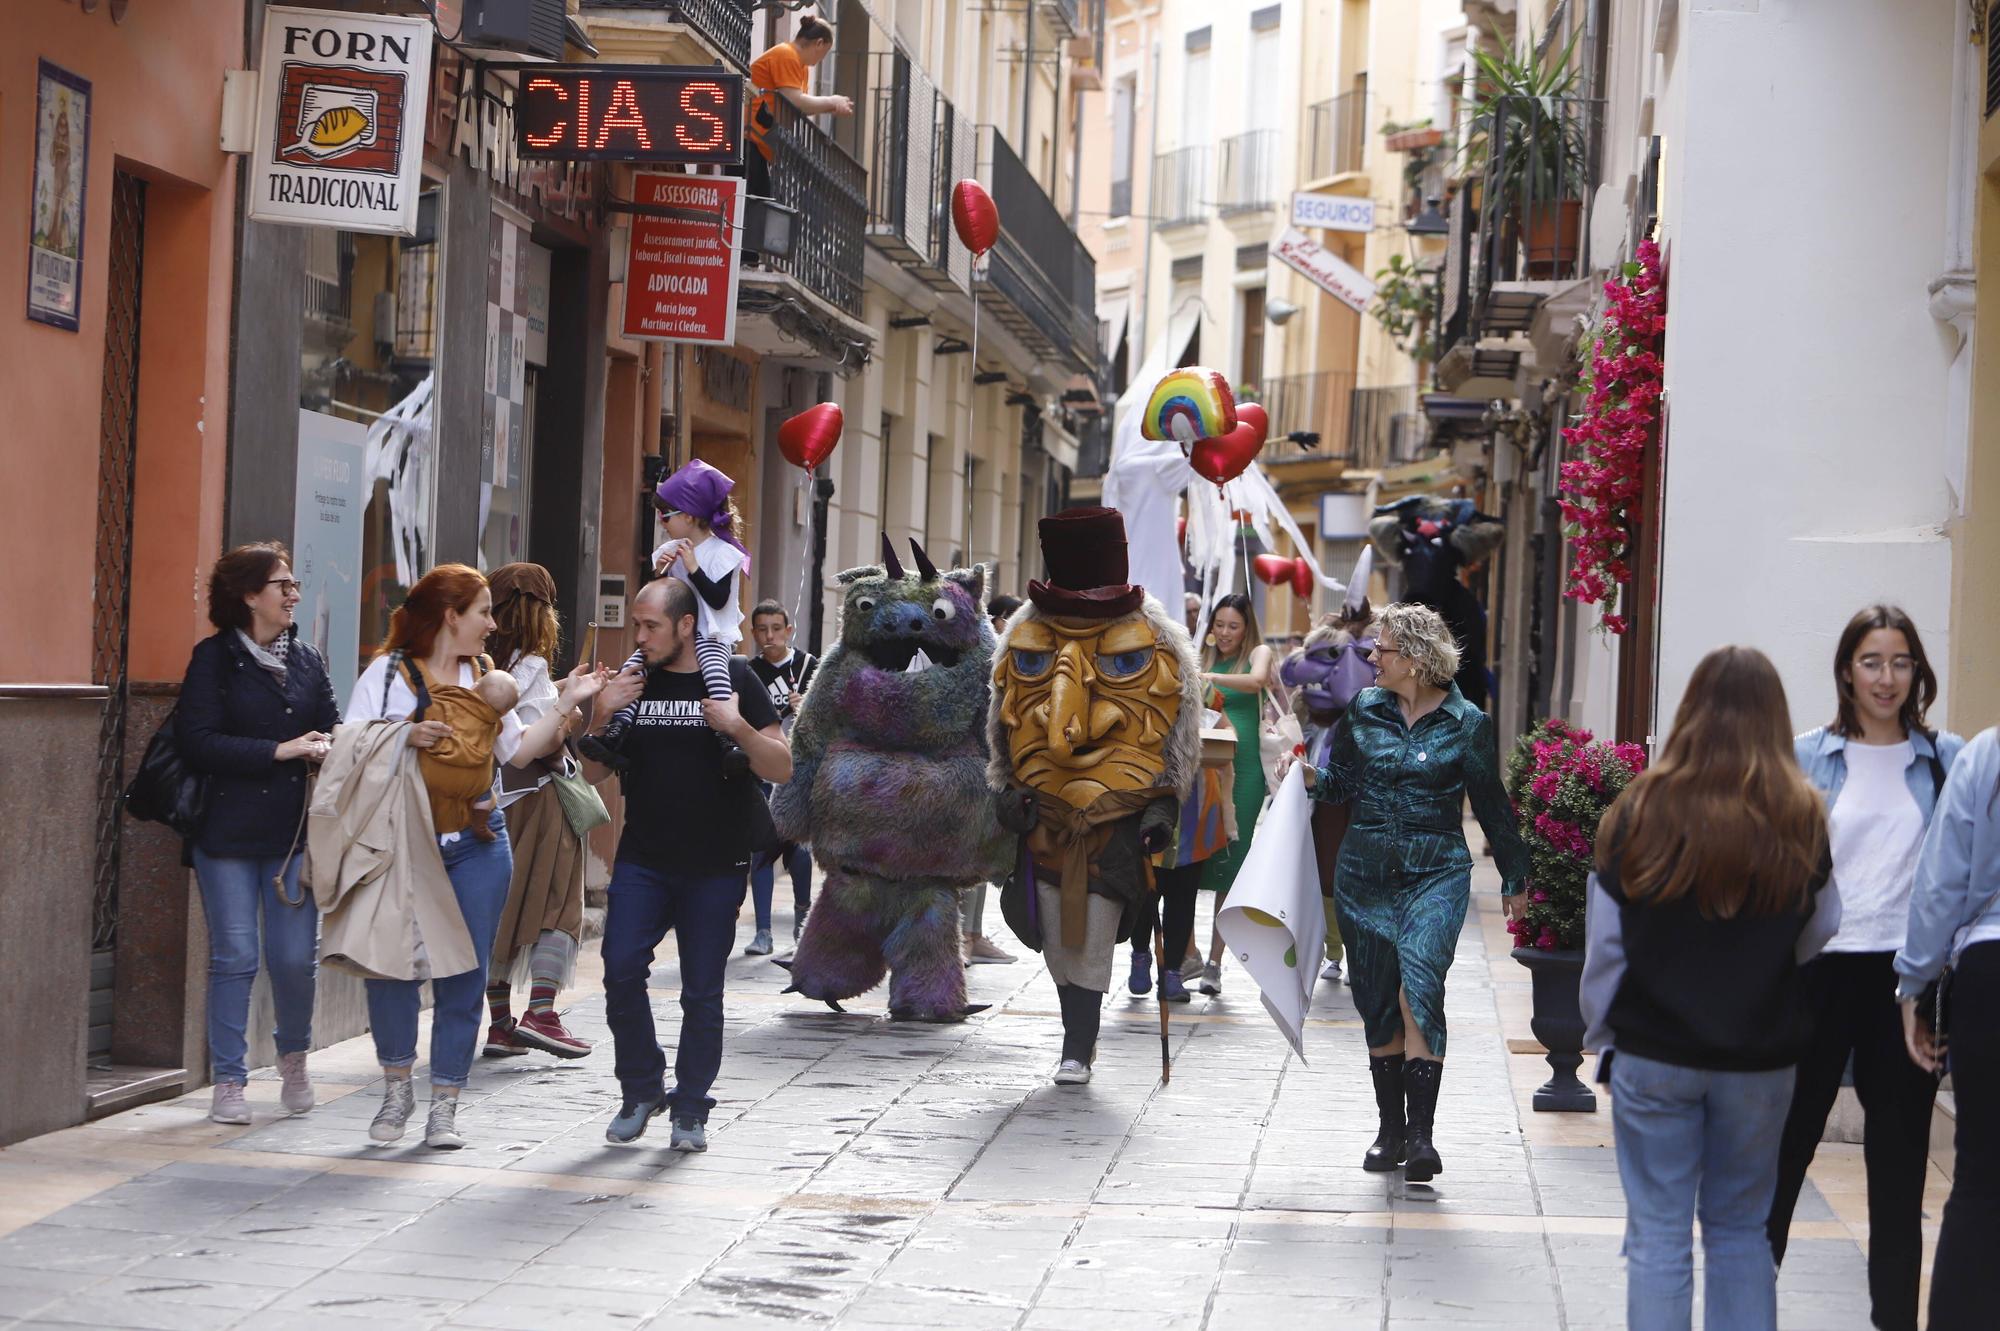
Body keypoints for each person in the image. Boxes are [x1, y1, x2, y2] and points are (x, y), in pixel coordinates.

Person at [1580, 646, 1837, 1331]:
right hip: (1760, 1056)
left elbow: (1606, 944)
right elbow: (1825, 922)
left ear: (1689, 712)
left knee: (1659, 1233)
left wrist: (1601, 1034)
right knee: (1740, 1230)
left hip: (1656, 1048)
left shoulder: (1643, 810)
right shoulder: (1801, 814)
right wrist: (1770, 962)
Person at [344, 565, 606, 1149]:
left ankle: (444, 1105)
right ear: (449, 616)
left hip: (479, 846)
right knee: (393, 971)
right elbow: (349, 744)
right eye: (482, 612)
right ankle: (396, 1088)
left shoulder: (487, 674)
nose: (493, 624)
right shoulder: (389, 675)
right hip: (404, 845)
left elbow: (520, 749)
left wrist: (569, 703)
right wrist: (401, 736)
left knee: (464, 976)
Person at [1767, 606, 1963, 1331]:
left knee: (1901, 1165)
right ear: (1847, 668)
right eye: (1873, 661)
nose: (1887, 677)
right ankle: (1746, 1307)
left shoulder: (1947, 759)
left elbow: (1960, 875)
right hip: (1817, 969)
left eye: (1901, 661)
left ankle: (1894, 1322)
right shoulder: (1805, 756)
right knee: (1784, 1151)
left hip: (1907, 983)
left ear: (1918, 671)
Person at [1289, 602, 1529, 1181]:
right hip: (1365, 873)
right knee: (1378, 997)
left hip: (1437, 871)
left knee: (1419, 983)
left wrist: (1518, 877)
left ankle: (1421, 1137)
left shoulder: (1466, 722)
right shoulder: (1365, 709)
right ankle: (1388, 1131)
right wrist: (1305, 774)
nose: (1371, 656)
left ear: (1417, 659)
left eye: (1383, 648)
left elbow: (1491, 802)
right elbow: (1343, 782)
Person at [991, 507, 1202, 1085]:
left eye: (1124, 665)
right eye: (1034, 662)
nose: (1076, 725)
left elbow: (1168, 764)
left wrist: (1159, 815)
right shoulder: (1017, 645)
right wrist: (1011, 802)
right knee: (1059, 943)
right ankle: (1075, 1033)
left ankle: (1076, 1048)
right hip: (1046, 829)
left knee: (1090, 941)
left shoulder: (1158, 637)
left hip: (1113, 830)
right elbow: (1006, 759)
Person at [586, 578, 792, 1153]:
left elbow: (781, 767)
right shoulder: (632, 684)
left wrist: (737, 727)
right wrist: (600, 715)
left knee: (702, 991)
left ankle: (693, 1106)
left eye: (651, 626)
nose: (640, 636)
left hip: (715, 862)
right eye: (635, 624)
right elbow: (593, 776)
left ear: (684, 625)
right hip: (644, 858)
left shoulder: (736, 678)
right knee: (620, 971)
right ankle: (642, 1088)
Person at [175, 542, 340, 1124]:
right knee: (236, 956)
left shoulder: (308, 659)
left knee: (295, 959)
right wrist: (280, 750)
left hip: (293, 834)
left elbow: (330, 720)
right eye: (283, 585)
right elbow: (197, 741)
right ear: (249, 596)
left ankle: (292, 1057)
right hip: (225, 831)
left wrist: (329, 743)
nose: (294, 594)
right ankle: (229, 1081)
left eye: (294, 585)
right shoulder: (213, 659)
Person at [1895, 726, 2000, 1330]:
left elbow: (1939, 881)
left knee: (1982, 1179)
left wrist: (1913, 983)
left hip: (1989, 973)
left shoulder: (1986, 753)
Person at [482, 563, 596, 1062]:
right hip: (542, 797)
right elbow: (533, 744)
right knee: (556, 906)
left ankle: (502, 1023)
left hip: (493, 801)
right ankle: (543, 1012)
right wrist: (567, 708)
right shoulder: (526, 667)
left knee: (506, 912)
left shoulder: (479, 665)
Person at [584, 459, 752, 775]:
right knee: (634, 669)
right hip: (673, 634)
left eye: (666, 514)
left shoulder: (724, 552)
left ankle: (725, 738)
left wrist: (693, 568)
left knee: (717, 672)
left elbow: (718, 600)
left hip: (707, 631)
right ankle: (619, 729)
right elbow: (659, 596)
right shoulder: (672, 546)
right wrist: (658, 570)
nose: (661, 521)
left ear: (689, 515)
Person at [1280, 606, 1376, 985]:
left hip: (1355, 797)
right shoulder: (1306, 714)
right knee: (1321, 871)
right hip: (1317, 799)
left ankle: (1354, 951)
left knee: (1350, 873)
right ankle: (1331, 950)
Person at [1195, 592, 1277, 995]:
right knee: (1191, 860)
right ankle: (1187, 953)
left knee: (1231, 861)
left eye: (1233, 626)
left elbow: (1258, 681)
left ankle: (1214, 962)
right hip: (1204, 768)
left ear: (1246, 629)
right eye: (1219, 624)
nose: (1224, 633)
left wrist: (1210, 678)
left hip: (1244, 773)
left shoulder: (1257, 652)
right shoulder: (1202, 659)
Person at [745, 599, 817, 956]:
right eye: (762, 629)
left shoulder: (810, 667)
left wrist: (806, 709)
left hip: (799, 774)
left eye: (777, 628)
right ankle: (762, 932)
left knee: (800, 853)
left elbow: (828, 720)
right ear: (754, 632)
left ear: (788, 630)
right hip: (761, 771)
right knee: (762, 851)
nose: (770, 636)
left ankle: (802, 919)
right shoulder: (749, 672)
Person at [743, 17, 853, 219]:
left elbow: (798, 106)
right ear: (819, 43)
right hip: (750, 139)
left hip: (761, 143)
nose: (820, 60)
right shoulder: (787, 55)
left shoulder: (799, 66)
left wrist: (830, 107)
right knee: (752, 214)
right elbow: (794, 100)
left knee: (758, 213)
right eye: (824, 53)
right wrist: (831, 101)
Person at [966, 593, 1024, 965]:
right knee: (967, 856)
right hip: (969, 768)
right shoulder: (979, 656)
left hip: (996, 769)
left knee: (984, 854)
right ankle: (961, 938)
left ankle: (973, 934)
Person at [416, 668, 519, 841]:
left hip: (437, 771)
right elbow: (498, 731)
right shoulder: (492, 722)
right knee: (485, 791)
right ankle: (480, 824)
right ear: (504, 712)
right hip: (472, 782)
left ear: (474, 687)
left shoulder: (452, 697)